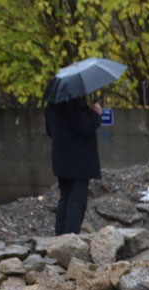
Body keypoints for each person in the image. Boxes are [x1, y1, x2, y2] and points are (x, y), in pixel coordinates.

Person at [44, 78, 103, 236]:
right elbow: (85, 127)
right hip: (79, 162)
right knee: (76, 203)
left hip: (61, 159)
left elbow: (49, 130)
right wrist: (96, 113)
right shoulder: (74, 103)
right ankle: (70, 239)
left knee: (65, 199)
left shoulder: (52, 103)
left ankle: (60, 237)